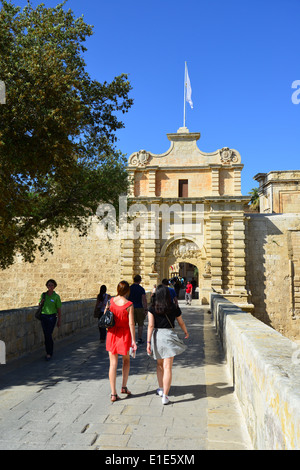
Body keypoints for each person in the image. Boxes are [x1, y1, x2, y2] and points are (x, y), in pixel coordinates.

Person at [147, 285, 189, 405]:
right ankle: (165, 396)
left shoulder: (152, 308)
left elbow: (150, 326)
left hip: (157, 337)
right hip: (169, 336)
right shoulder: (173, 307)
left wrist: (148, 342)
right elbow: (181, 322)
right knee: (168, 367)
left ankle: (160, 389)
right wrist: (185, 331)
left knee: (159, 365)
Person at [106, 281, 137, 402]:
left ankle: (113, 393)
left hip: (112, 334)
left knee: (113, 364)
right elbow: (131, 323)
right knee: (126, 361)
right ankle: (123, 387)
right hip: (124, 335)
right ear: (127, 291)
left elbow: (105, 316)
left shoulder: (110, 301)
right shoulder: (129, 304)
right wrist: (134, 340)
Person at [39, 279, 62, 361]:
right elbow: (39, 305)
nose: (50, 287)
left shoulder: (56, 297)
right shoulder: (43, 295)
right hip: (44, 316)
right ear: (47, 286)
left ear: (54, 286)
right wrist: (41, 301)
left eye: (52, 285)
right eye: (49, 285)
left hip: (52, 317)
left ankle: (49, 352)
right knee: (46, 335)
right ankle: (48, 352)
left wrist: (59, 320)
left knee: (48, 334)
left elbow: (59, 309)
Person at [128, 275, 147, 344]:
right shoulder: (141, 289)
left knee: (131, 324)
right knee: (140, 324)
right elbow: (144, 300)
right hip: (139, 307)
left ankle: (131, 338)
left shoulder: (129, 288)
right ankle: (139, 338)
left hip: (130, 308)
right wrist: (146, 309)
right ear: (140, 280)